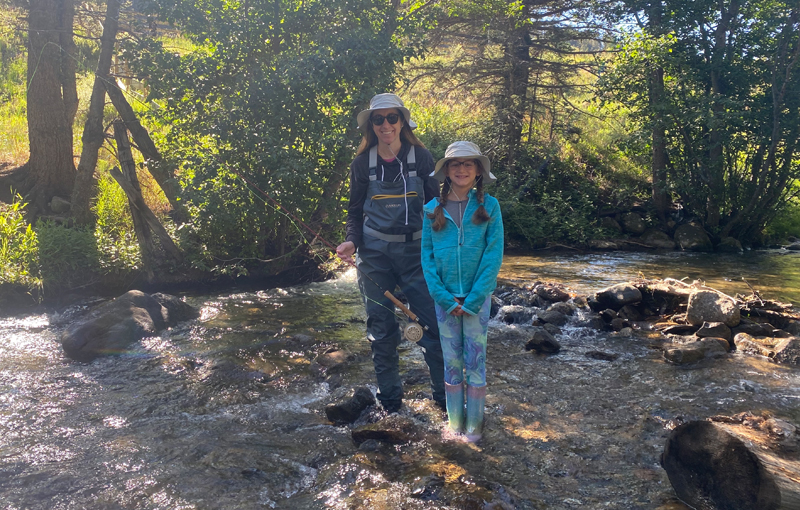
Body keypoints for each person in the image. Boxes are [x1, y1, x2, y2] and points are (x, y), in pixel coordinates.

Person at [335, 93, 446, 413]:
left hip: (416, 254)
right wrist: (350, 242)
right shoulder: (361, 164)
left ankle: (444, 402)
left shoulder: (422, 158)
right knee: (381, 331)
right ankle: (392, 406)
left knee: (431, 329)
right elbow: (354, 212)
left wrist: (444, 249)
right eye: (378, 119)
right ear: (371, 125)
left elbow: (436, 207)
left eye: (391, 118)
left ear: (402, 122)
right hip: (373, 256)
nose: (386, 125)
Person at [421, 141, 504, 442]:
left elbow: (493, 255)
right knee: (451, 363)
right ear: (446, 171)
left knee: (476, 362)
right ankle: (455, 425)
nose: (462, 169)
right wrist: (443, 297)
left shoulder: (490, 206)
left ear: (478, 170)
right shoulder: (431, 210)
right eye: (455, 164)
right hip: (445, 300)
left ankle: (475, 428)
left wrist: (475, 297)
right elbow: (427, 260)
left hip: (476, 301)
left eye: (469, 163)